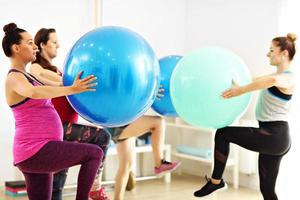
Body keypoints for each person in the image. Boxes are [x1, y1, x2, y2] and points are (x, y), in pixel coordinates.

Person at [2, 23, 103, 200]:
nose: (35, 47)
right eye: (30, 42)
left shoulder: (29, 76)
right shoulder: (14, 78)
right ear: (16, 48)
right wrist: (72, 89)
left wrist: (81, 85)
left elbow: (59, 85)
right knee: (95, 153)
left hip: (36, 151)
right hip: (36, 149)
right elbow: (34, 92)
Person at [194, 33, 297, 200]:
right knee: (268, 192)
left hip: (274, 135)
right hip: (275, 138)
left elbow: (271, 80)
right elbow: (253, 79)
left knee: (223, 133)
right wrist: (232, 82)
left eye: (271, 50)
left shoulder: (287, 79)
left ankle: (216, 181)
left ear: (284, 53)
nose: (267, 54)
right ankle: (216, 182)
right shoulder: (277, 77)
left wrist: (240, 91)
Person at [30, 28, 111, 200]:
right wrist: (70, 84)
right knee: (102, 136)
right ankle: (94, 185)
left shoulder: (58, 69)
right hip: (58, 128)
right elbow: (41, 76)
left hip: (65, 131)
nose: (58, 45)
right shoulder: (35, 66)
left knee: (57, 184)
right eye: (54, 42)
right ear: (42, 45)